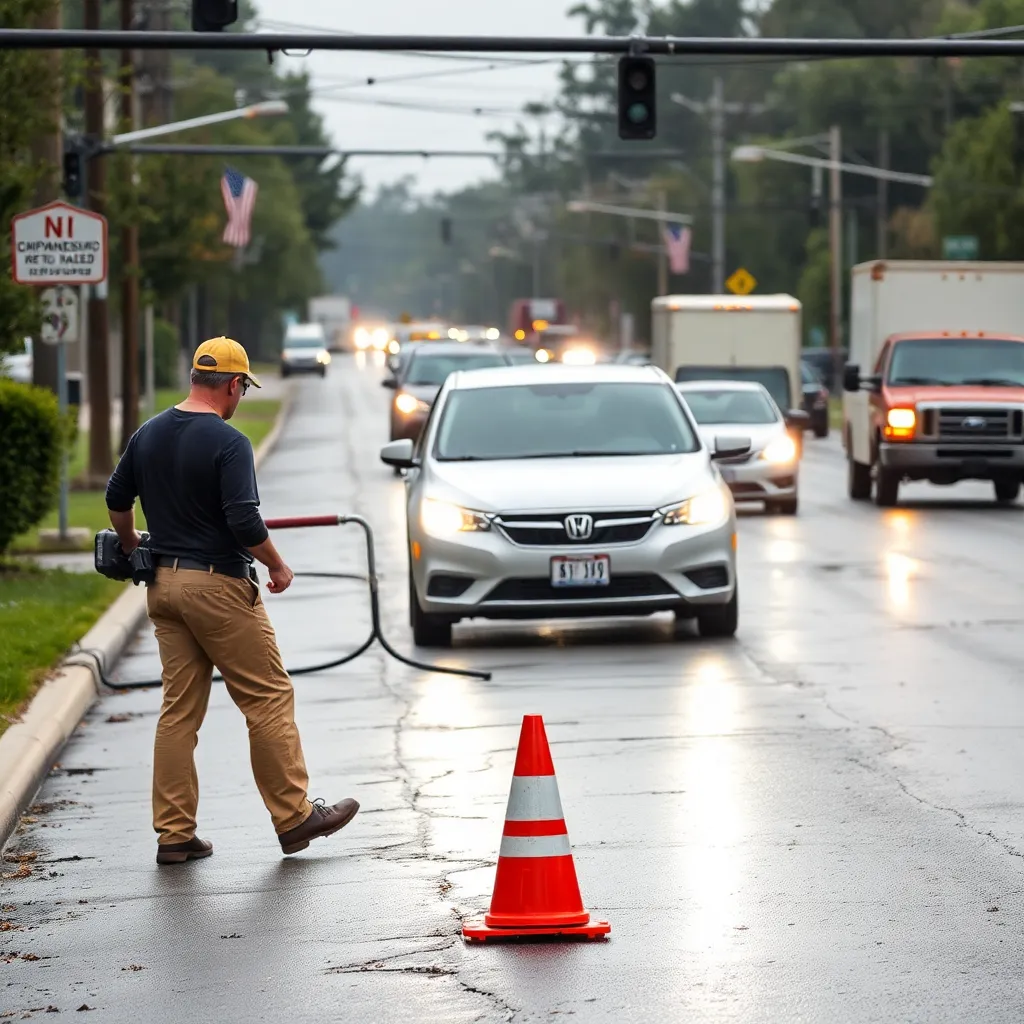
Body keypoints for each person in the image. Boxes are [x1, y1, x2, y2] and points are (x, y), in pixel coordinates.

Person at [105, 336, 358, 865]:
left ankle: (174, 833)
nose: (241, 396)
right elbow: (243, 521)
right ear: (234, 384)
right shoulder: (229, 442)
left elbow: (116, 499)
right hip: (217, 586)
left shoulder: (147, 433)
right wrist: (277, 564)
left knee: (178, 712)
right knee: (266, 698)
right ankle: (294, 818)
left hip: (164, 588)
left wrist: (134, 550)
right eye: (242, 387)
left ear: (197, 378)